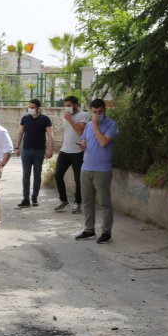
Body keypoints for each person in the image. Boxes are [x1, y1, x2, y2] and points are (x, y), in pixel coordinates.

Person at [75, 99, 119, 244]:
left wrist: (94, 125)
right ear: (90, 110)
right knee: (87, 201)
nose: (97, 115)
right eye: (94, 112)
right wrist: (82, 144)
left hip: (102, 169)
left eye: (100, 112)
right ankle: (89, 230)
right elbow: (85, 142)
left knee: (105, 202)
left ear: (104, 110)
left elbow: (103, 142)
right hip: (86, 167)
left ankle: (106, 232)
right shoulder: (87, 126)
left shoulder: (111, 125)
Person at [14, 99, 53, 207]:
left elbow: (50, 134)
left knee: (37, 175)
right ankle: (25, 199)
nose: (30, 109)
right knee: (25, 175)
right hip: (26, 150)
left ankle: (34, 198)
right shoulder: (25, 118)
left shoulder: (45, 119)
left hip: (39, 151)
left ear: (38, 108)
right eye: (29, 107)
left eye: (32, 107)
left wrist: (50, 149)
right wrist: (17, 147)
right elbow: (20, 132)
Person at [53, 96, 89, 214]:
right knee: (58, 175)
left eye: (69, 105)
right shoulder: (66, 116)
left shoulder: (83, 115)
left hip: (77, 152)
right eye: (66, 105)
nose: (67, 107)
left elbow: (80, 131)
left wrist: (70, 120)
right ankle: (63, 200)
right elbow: (67, 132)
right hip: (65, 150)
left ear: (76, 105)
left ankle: (77, 203)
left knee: (78, 179)